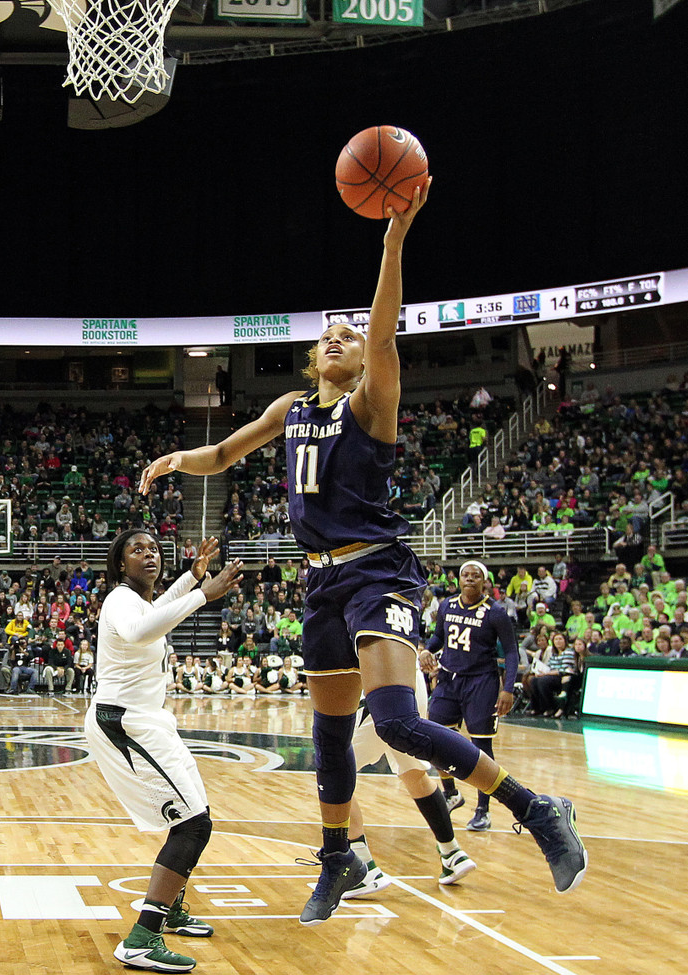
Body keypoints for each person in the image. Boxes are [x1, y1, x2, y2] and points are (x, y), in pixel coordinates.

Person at [141, 181, 586, 925]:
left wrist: (391, 241)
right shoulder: (289, 409)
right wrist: (175, 461)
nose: (342, 338)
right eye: (330, 336)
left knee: (395, 722)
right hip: (320, 583)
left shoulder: (371, 402)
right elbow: (222, 452)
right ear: (315, 359)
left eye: (349, 333)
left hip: (377, 567)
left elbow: (383, 335)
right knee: (326, 738)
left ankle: (537, 810)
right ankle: (338, 858)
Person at [84, 530, 242, 973]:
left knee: (197, 811)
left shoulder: (139, 600)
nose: (148, 553)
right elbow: (139, 630)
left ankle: (168, 908)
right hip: (124, 720)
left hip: (149, 719)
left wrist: (190, 579)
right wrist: (201, 596)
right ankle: (142, 937)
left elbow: (154, 614)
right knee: (193, 825)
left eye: (153, 548)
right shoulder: (119, 600)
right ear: (120, 565)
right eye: (137, 549)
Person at [346, 665, 476, 896]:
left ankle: (362, 870)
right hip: (410, 678)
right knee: (412, 771)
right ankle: (452, 853)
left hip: (379, 683)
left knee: (333, 772)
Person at [422, 561, 518, 832]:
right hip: (449, 681)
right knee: (435, 739)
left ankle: (483, 810)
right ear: (459, 579)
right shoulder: (447, 606)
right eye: (466, 575)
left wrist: (507, 688)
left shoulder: (495, 612)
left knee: (482, 749)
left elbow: (511, 652)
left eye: (476, 576)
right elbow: (438, 638)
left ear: (484, 582)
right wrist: (426, 650)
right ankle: (451, 793)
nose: (470, 579)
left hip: (481, 683)